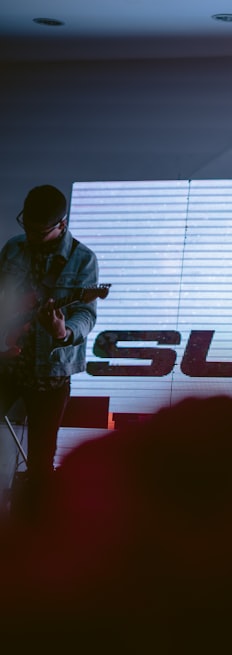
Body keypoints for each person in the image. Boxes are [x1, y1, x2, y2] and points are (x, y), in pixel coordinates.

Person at [0, 185, 99, 523]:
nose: (29, 234)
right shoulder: (13, 248)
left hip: (51, 370)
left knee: (41, 459)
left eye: (39, 231)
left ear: (62, 224)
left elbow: (86, 315)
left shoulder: (83, 260)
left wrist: (64, 332)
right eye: (26, 225)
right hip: (8, 359)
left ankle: (33, 532)